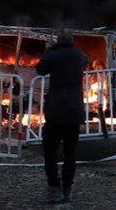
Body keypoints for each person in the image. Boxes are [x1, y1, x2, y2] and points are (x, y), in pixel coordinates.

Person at [36, 29, 88, 204]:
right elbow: (85, 62)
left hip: (56, 111)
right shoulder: (80, 55)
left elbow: (40, 70)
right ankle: (67, 189)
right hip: (74, 111)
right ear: (73, 41)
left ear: (58, 41)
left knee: (50, 149)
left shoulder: (53, 55)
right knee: (70, 152)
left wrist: (49, 50)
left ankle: (53, 187)